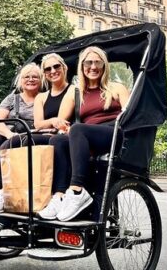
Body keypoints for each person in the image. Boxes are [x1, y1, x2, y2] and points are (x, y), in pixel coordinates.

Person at [39, 46, 129, 221]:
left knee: (79, 129)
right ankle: (59, 195)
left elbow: (129, 117)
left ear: (104, 66)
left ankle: (76, 190)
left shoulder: (117, 88)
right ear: (82, 66)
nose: (93, 67)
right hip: (87, 138)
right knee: (57, 140)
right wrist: (62, 127)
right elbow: (61, 122)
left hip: (112, 135)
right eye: (88, 62)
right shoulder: (76, 93)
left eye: (97, 62)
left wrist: (76, 129)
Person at [0, 55, 75, 212]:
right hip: (32, 133)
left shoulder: (72, 90)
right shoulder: (41, 96)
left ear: (64, 68)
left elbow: (60, 120)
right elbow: (39, 123)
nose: (52, 71)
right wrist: (51, 122)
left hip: (55, 135)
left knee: (17, 141)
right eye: (48, 69)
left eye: (56, 67)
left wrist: (53, 123)